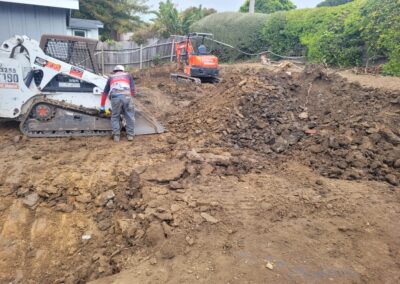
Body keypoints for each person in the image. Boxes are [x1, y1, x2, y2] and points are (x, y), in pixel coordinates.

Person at [100, 65, 135, 142]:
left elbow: (105, 92)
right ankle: (130, 135)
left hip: (115, 98)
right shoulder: (128, 75)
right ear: (123, 70)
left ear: (114, 71)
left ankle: (116, 136)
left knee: (115, 116)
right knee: (129, 115)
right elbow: (132, 89)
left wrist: (102, 106)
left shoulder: (111, 77)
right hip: (127, 97)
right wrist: (130, 98)